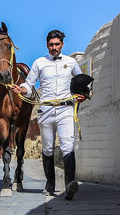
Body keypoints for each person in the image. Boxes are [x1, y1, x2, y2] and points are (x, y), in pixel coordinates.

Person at [11, 30, 85, 200]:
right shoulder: (39, 63)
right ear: (47, 45)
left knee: (68, 145)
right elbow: (29, 85)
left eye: (57, 44)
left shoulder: (71, 62)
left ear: (62, 45)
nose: (54, 48)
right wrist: (21, 89)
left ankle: (69, 184)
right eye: (51, 45)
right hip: (46, 110)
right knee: (48, 148)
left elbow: (81, 82)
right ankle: (50, 183)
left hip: (66, 109)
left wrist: (82, 95)